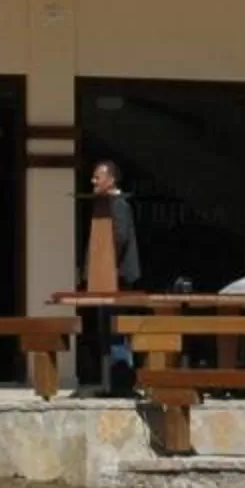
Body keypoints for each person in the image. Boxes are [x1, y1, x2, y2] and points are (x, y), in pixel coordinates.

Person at [83, 158, 143, 395]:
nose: (93, 181)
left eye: (98, 177)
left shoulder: (118, 204)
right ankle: (111, 381)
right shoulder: (103, 204)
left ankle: (121, 381)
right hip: (104, 278)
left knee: (115, 329)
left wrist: (104, 267)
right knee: (107, 330)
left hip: (114, 278)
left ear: (111, 179)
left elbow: (119, 237)